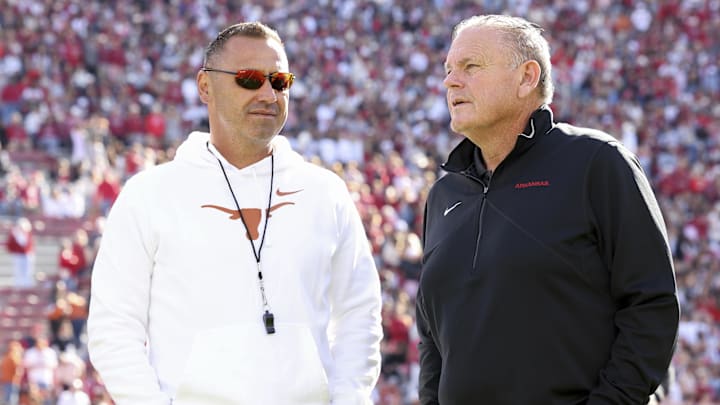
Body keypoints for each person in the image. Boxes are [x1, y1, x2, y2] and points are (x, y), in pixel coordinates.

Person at [87, 22, 382, 405]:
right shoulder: (149, 194)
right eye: (249, 79)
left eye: (279, 81)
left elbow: (360, 313)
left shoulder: (325, 192)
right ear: (205, 87)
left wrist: (346, 400)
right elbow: (113, 328)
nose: (267, 93)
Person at [415, 14, 680, 404]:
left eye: (471, 67)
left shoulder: (597, 163)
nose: (451, 81)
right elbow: (433, 336)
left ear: (527, 77)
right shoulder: (443, 194)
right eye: (449, 69)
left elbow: (651, 305)